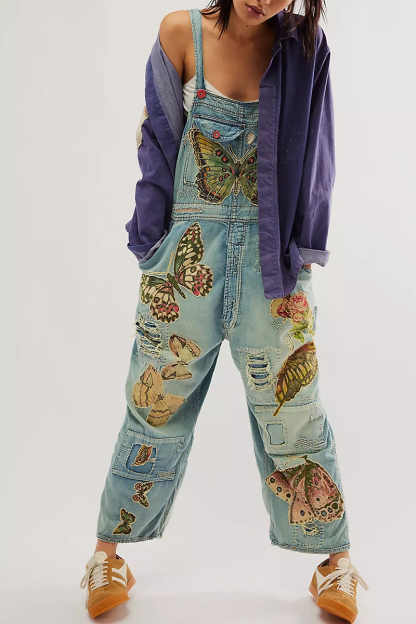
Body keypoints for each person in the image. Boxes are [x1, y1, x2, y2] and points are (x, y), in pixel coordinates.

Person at [79, 2, 368, 621]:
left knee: (295, 409)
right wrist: (151, 247)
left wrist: (302, 256)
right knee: (154, 402)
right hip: (187, 261)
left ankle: (335, 563)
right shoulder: (180, 33)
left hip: (273, 269)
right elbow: (158, 143)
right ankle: (108, 554)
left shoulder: (305, 47)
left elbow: (318, 156)